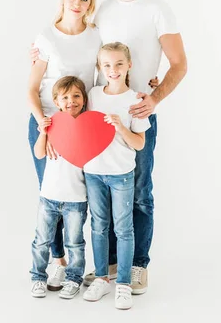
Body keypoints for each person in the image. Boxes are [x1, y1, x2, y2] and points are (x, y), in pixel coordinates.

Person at [31, 0, 188, 295]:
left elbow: (179, 64)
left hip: (135, 115)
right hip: (97, 118)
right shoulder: (101, 10)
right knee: (98, 193)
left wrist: (155, 96)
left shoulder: (158, 9)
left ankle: (137, 267)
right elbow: (78, 41)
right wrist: (41, 49)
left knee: (139, 192)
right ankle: (107, 269)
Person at [27, 0, 101, 288]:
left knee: (77, 195)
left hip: (81, 128)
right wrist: (45, 124)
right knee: (51, 194)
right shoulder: (46, 36)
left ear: (90, 4)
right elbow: (31, 88)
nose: (77, 4)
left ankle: (82, 264)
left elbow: (106, 73)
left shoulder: (96, 35)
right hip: (48, 124)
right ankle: (58, 262)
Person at [81, 42, 150, 310]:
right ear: (100, 67)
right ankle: (101, 277)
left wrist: (121, 126)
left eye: (119, 64)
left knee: (123, 228)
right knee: (98, 226)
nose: (113, 70)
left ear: (129, 65)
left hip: (121, 174)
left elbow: (140, 144)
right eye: (107, 65)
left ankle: (122, 283)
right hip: (94, 173)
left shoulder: (135, 100)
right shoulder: (93, 94)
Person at [30, 76, 89, 300]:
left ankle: (74, 279)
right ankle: (38, 277)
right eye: (64, 97)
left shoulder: (86, 126)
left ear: (84, 100)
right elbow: (39, 153)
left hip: (76, 198)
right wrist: (44, 132)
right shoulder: (52, 123)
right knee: (41, 241)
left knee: (75, 242)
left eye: (76, 96)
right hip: (49, 197)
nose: (71, 101)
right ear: (56, 101)